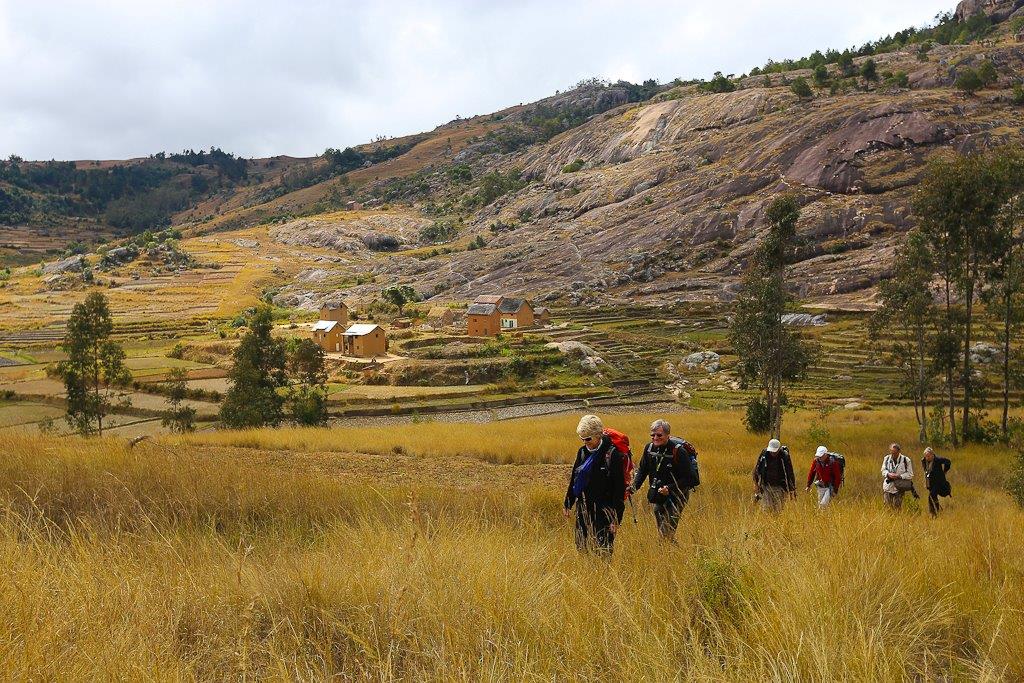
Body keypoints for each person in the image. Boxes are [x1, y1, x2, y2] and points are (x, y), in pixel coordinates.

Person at [564, 415, 626, 555]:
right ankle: (586, 573)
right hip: (583, 507)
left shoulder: (612, 455)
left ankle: (604, 575)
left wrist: (616, 519)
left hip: (604, 510)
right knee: (580, 545)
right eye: (582, 439)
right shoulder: (582, 452)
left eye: (588, 439)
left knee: (603, 549)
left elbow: (619, 490)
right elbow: (575, 478)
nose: (585, 442)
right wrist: (568, 503)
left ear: (598, 435)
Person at [630, 419, 695, 540]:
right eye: (652, 435)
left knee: (665, 534)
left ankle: (668, 555)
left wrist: (669, 488)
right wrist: (633, 487)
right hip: (659, 495)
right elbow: (643, 470)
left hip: (677, 496)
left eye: (659, 435)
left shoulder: (678, 451)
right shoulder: (649, 448)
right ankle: (672, 552)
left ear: (667, 435)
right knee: (664, 534)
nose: (655, 438)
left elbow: (692, 479)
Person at [753, 438, 796, 513]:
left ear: (779, 449)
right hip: (766, 486)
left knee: (778, 510)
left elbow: (790, 473)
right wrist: (756, 484)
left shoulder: (784, 456)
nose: (773, 453)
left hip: (779, 487)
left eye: (775, 451)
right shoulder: (764, 454)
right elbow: (757, 469)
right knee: (766, 509)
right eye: (771, 451)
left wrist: (791, 490)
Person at [881, 442, 916, 509]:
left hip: (899, 487)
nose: (893, 455)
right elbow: (883, 470)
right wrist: (888, 474)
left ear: (899, 451)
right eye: (891, 452)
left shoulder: (906, 460)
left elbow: (910, 474)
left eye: (895, 453)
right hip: (888, 487)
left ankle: (897, 519)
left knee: (897, 508)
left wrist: (899, 476)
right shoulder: (886, 458)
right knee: (887, 508)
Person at [922, 447, 952, 517]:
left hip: (939, 483)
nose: (927, 458)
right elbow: (925, 471)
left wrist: (945, 471)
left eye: (928, 456)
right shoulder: (923, 461)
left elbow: (948, 462)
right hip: (930, 483)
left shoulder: (938, 460)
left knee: (931, 496)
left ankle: (933, 513)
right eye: (926, 456)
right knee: (933, 496)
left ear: (932, 455)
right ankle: (936, 513)